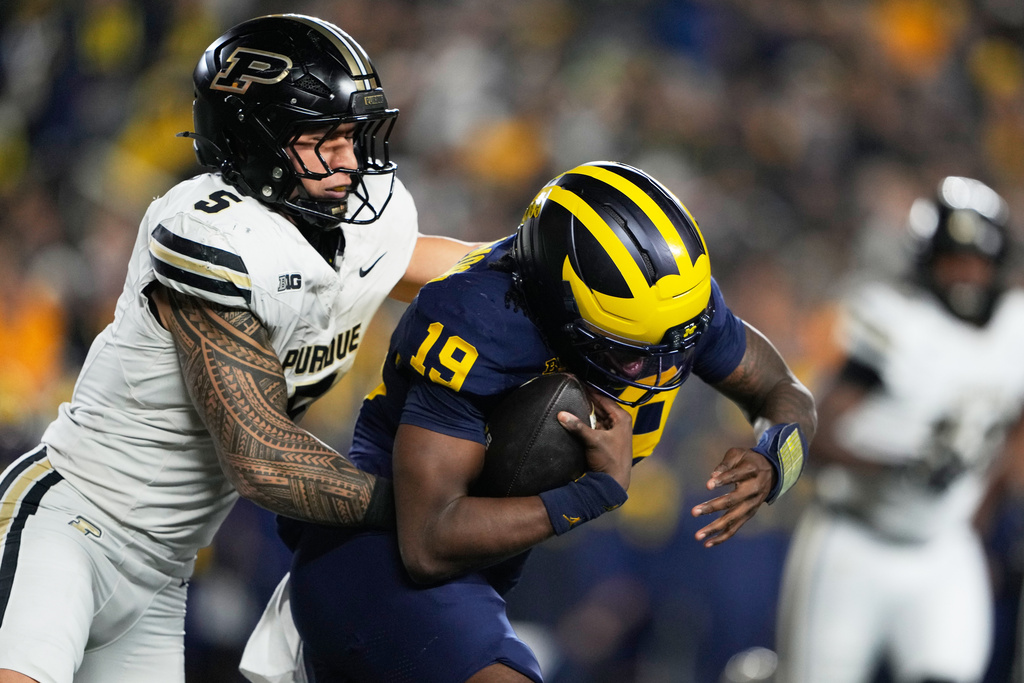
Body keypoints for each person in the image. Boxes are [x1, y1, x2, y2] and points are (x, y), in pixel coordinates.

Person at [0, 13, 485, 683]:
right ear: (257, 140)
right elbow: (266, 461)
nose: (349, 161)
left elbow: (476, 276)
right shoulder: (213, 234)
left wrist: (573, 263)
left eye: (350, 136)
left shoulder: (349, 224)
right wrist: (423, 506)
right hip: (70, 528)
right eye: (322, 140)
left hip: (163, 573)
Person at [242, 160, 817, 683]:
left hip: (476, 578)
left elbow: (785, 392)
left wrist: (775, 461)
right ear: (560, 304)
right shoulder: (480, 318)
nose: (653, 368)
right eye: (626, 351)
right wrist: (596, 492)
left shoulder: (668, 315)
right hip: (380, 559)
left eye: (670, 347)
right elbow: (427, 542)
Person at [774, 176, 1024, 683]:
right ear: (927, 264)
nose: (965, 274)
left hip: (942, 549)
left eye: (976, 260)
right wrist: (899, 467)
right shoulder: (894, 320)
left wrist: (974, 523)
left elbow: (1012, 439)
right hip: (854, 541)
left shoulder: (1015, 329)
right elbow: (815, 432)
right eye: (952, 260)